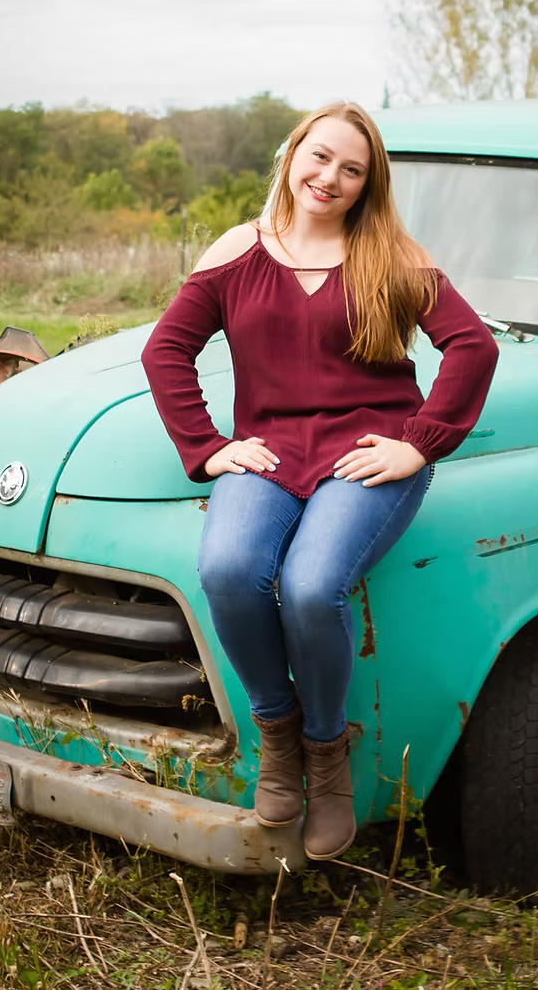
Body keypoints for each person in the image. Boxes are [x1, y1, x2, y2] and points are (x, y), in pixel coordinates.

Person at [141, 102, 498, 861]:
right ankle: (278, 733)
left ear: (369, 184)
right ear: (292, 152)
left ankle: (327, 751)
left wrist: (419, 444)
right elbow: (164, 350)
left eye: (351, 169)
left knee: (310, 586)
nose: (329, 177)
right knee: (229, 569)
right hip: (268, 454)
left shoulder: (388, 254)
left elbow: (472, 347)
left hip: (364, 456)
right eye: (320, 156)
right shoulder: (239, 250)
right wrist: (208, 449)